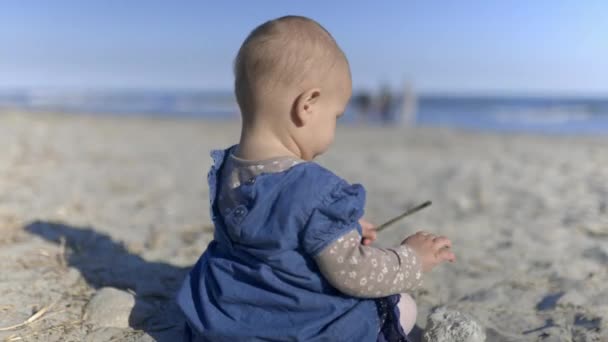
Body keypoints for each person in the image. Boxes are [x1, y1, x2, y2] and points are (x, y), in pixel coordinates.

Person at [177, 15, 456, 341]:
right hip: (296, 323)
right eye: (336, 115)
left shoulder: (230, 168)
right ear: (307, 105)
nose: (335, 127)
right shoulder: (314, 187)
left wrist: (345, 229)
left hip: (230, 316)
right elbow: (354, 273)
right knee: (402, 307)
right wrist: (410, 259)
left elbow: (278, 233)